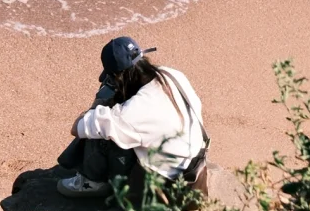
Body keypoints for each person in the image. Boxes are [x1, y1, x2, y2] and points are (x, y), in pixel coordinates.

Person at [56, 36, 207, 200]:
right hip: (191, 164)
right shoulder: (171, 74)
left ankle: (93, 182)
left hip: (166, 187)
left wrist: (101, 104)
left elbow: (77, 128)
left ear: (119, 76)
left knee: (102, 130)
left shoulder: (134, 111)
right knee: (110, 124)